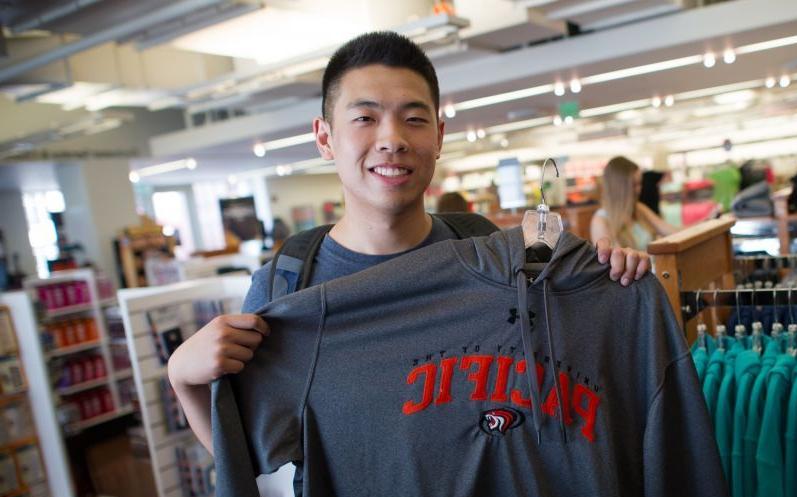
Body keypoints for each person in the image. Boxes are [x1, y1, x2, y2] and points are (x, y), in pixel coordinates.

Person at [168, 32, 651, 455]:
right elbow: (250, 456)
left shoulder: (500, 261)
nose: (392, 139)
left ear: (439, 136)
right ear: (324, 138)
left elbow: (579, 375)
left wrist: (614, 279)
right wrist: (184, 380)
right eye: (365, 118)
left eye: (414, 119)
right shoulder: (286, 291)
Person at [591, 156, 677, 250]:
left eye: (640, 184)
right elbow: (615, 259)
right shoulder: (600, 221)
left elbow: (669, 230)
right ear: (619, 187)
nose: (639, 190)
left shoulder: (638, 208)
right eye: (634, 185)